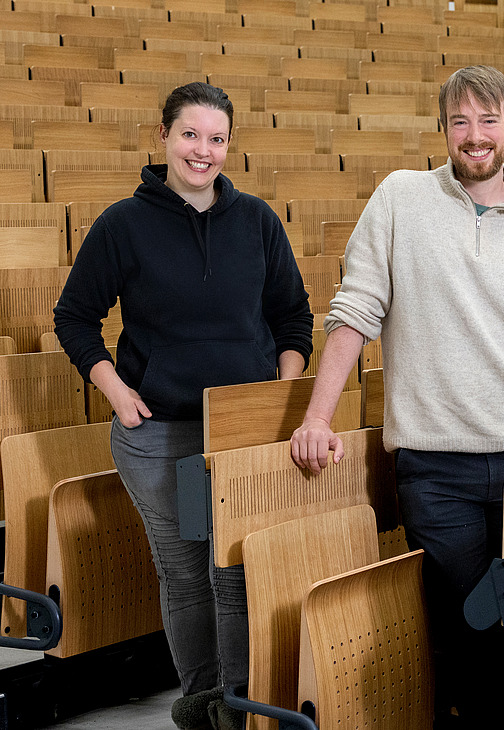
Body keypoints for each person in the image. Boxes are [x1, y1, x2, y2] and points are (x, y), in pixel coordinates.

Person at [287, 65, 504, 728]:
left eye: (487, 121)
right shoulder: (399, 198)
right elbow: (354, 312)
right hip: (435, 465)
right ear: (443, 130)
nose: (474, 136)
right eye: (460, 122)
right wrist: (316, 416)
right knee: (467, 624)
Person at [52, 82, 313, 730]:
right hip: (161, 433)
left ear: (230, 145)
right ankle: (205, 706)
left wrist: (280, 396)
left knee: (235, 567)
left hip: (244, 431)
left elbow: (294, 322)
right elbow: (75, 317)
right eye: (190, 135)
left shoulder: (256, 222)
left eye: (217, 138)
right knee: (191, 570)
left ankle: (240, 702)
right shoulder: (124, 224)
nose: (203, 150)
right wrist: (118, 392)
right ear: (164, 136)